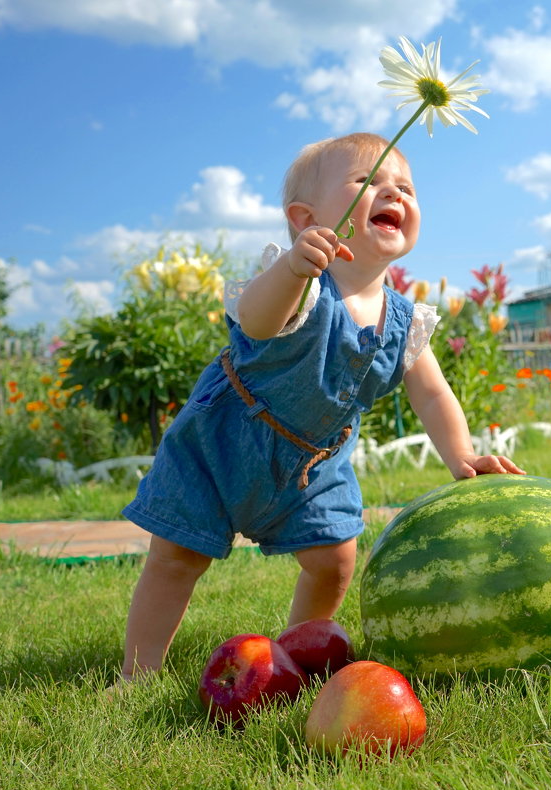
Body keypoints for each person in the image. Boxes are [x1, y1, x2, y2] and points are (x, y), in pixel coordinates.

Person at [115, 132, 524, 683]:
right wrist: (290, 270)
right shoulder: (300, 284)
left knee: (334, 561)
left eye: (404, 186)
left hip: (313, 465)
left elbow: (431, 392)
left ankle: (288, 658)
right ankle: (137, 673)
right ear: (306, 217)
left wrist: (463, 457)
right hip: (223, 443)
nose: (392, 193)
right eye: (368, 181)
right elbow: (256, 323)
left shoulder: (404, 322)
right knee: (176, 558)